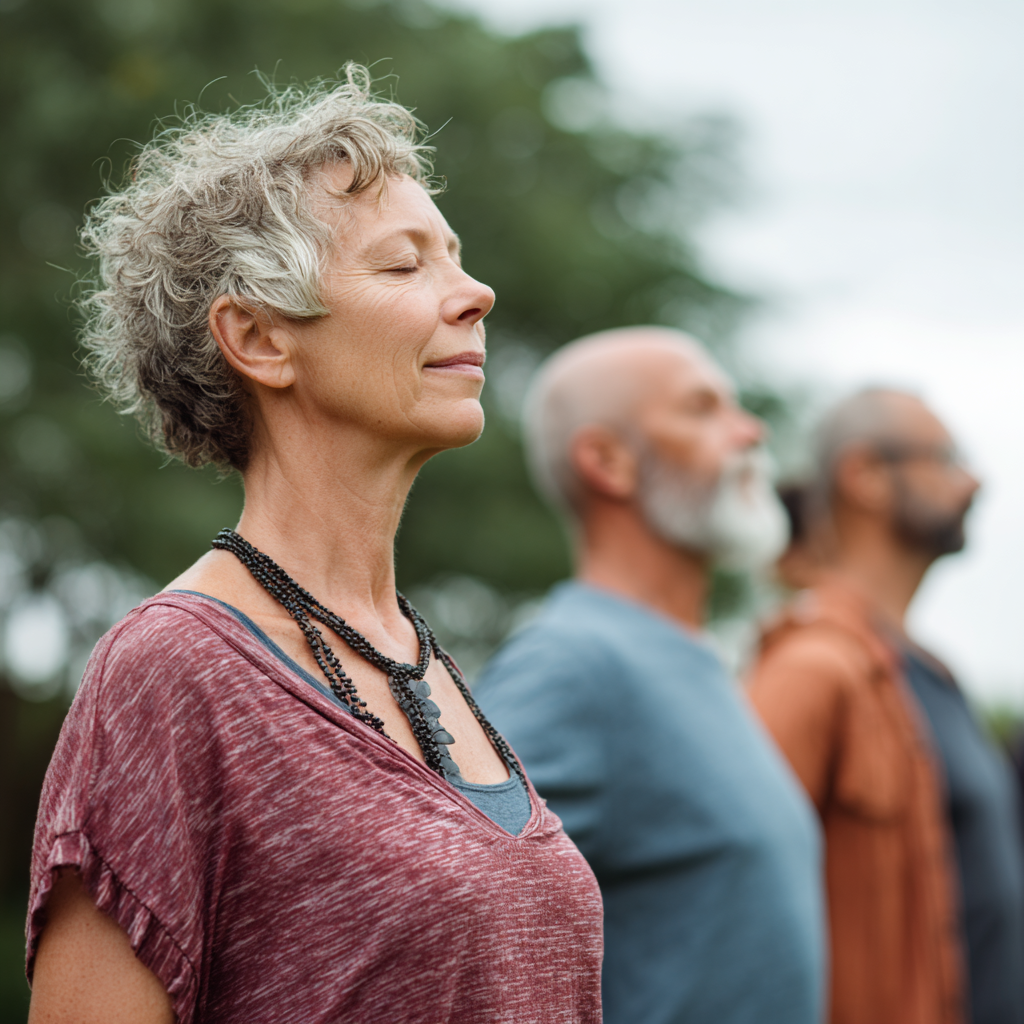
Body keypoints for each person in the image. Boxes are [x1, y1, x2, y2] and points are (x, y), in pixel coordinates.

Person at [25, 69, 604, 1024]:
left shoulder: (423, 662)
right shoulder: (171, 673)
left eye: (455, 257)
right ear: (258, 339)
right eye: (403, 264)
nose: (476, 294)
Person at [477, 327, 824, 1024]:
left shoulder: (695, 657)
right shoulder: (571, 664)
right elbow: (465, 935)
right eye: (703, 409)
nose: (750, 431)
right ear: (607, 460)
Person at [749, 387, 1024, 1024]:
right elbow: (741, 897)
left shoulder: (928, 671)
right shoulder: (811, 667)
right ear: (865, 476)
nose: (974, 479)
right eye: (946, 456)